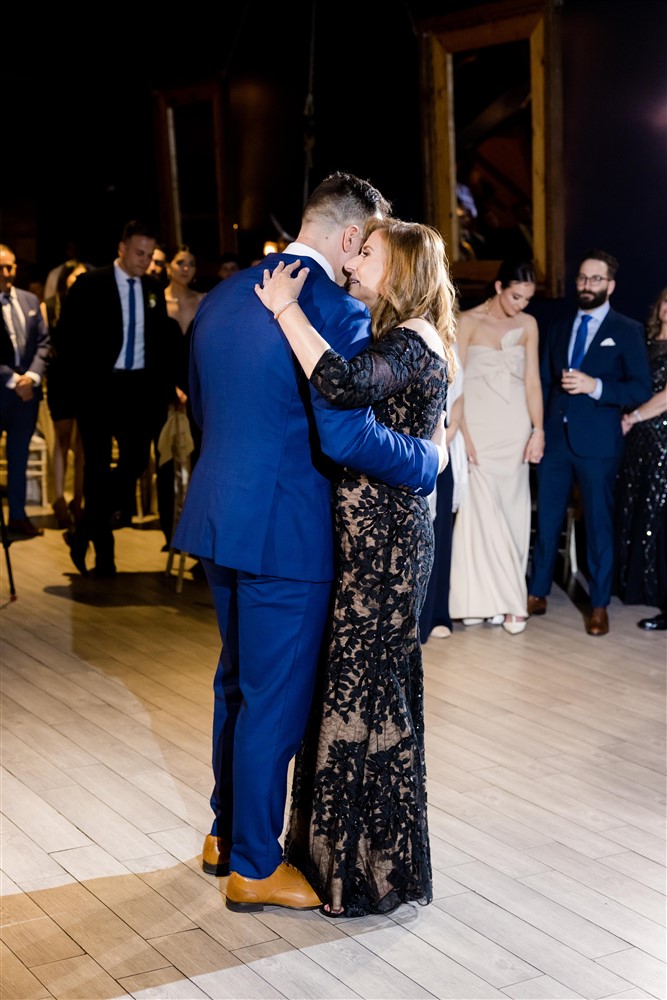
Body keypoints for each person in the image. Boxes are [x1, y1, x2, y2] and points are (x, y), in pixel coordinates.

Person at [171, 172, 444, 914]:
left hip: (218, 519)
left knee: (235, 683)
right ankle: (256, 866)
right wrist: (429, 461)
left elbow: (200, 407)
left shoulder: (224, 296)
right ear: (352, 236)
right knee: (273, 702)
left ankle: (225, 833)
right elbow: (347, 432)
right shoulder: (337, 310)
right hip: (288, 533)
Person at [254, 217, 455, 918]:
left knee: (364, 690)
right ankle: (340, 859)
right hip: (375, 535)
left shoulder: (412, 338)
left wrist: (282, 308)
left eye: (367, 253)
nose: (353, 261)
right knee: (355, 686)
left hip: (388, 542)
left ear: (401, 269)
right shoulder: (401, 339)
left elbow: (338, 384)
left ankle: (363, 872)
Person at [528, 249, 652, 636]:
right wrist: (540, 430)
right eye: (582, 278)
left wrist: (595, 386)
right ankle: (537, 592)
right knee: (547, 520)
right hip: (556, 441)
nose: (586, 285)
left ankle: (598, 605)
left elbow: (641, 387)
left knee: (599, 524)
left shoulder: (627, 330)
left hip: (599, 444)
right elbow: (546, 383)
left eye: (595, 279)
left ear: (610, 285)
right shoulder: (559, 327)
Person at [59, 220, 184, 578]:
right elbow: (68, 342)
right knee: (96, 470)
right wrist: (75, 393)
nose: (145, 261)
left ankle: (85, 528)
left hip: (139, 391)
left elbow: (159, 344)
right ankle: (104, 558)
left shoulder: (152, 287)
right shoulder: (89, 284)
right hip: (99, 391)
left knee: (133, 464)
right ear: (122, 248)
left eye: (149, 255)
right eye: (139, 253)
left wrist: (169, 388)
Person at [449, 261, 544, 635]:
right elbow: (454, 386)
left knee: (510, 511)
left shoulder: (528, 325)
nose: (521, 304)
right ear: (499, 286)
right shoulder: (467, 321)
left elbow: (533, 381)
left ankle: (502, 600)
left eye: (528, 299)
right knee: (480, 514)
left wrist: (538, 430)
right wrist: (464, 435)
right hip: (480, 429)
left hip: (515, 426)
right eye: (516, 296)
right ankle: (492, 600)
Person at [614, 286, 667, 631]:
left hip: (663, 441)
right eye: (666, 301)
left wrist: (632, 417)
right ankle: (643, 587)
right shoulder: (643, 340)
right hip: (637, 444)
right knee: (636, 509)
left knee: (660, 517)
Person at [1, 243, 51, 537]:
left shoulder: (30, 300)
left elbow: (43, 343)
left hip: (27, 395)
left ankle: (18, 517)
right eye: (2, 268)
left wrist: (31, 377)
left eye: (11, 267)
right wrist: (12, 379)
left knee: (19, 456)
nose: (8, 273)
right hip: (2, 389)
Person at [419, 343, 465, 642]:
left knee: (440, 533)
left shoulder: (448, 342)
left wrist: (446, 436)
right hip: (412, 447)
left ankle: (437, 613)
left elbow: (459, 396)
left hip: (443, 447)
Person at [42, 260, 89, 529]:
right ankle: (59, 499)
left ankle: (79, 500)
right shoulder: (50, 306)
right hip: (60, 379)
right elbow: (44, 342)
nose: (80, 281)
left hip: (85, 381)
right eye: (76, 277)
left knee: (83, 443)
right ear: (66, 279)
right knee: (61, 441)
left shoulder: (91, 304)